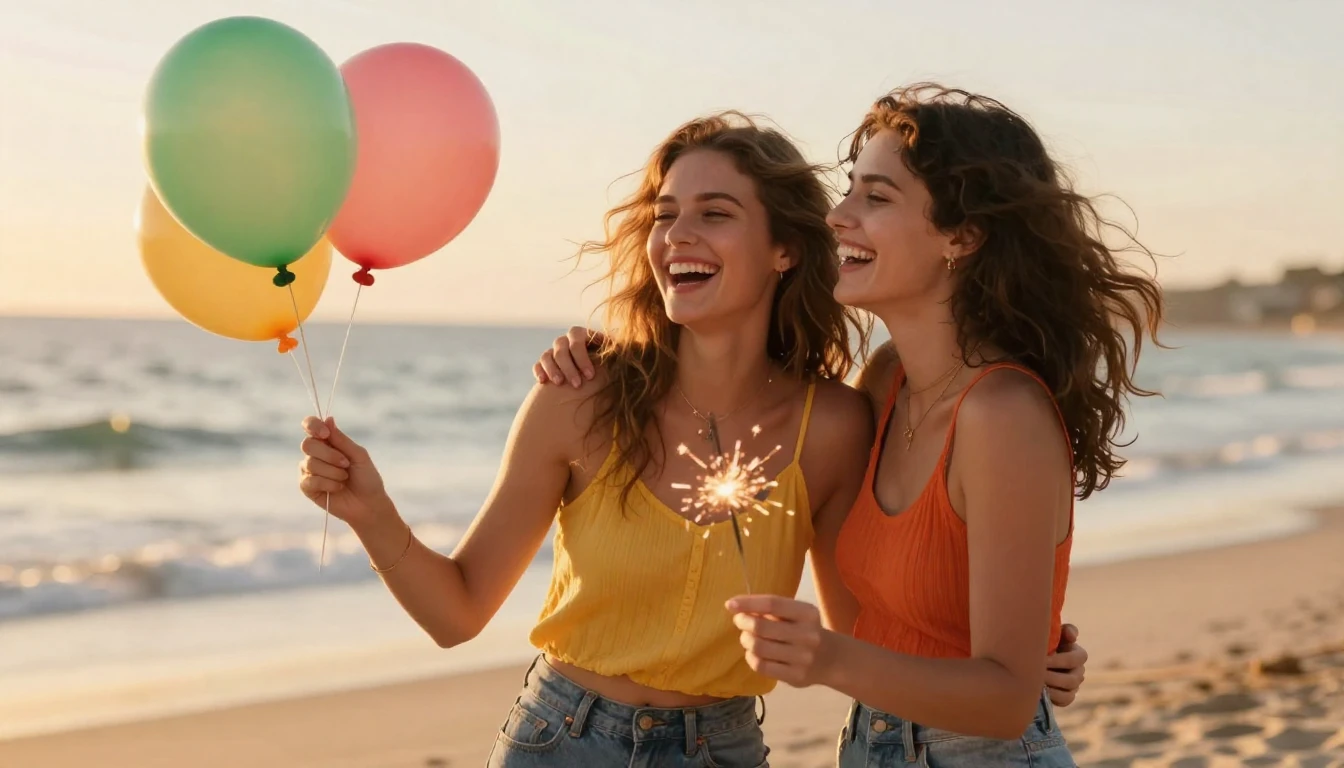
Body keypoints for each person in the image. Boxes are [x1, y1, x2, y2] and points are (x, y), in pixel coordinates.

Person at [302, 110, 1086, 768]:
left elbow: (862, 633)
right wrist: (371, 510)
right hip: (563, 739)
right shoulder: (584, 396)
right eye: (665, 213)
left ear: (785, 249)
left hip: (730, 746)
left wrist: (1021, 656)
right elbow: (457, 614)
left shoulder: (844, 421)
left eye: (714, 212)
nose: (678, 233)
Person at [537, 83, 1152, 765]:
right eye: (849, 190)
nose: (837, 217)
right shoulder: (886, 383)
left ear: (963, 235)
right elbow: (895, 618)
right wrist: (612, 353)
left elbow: (1006, 703)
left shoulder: (1002, 413)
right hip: (870, 745)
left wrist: (830, 658)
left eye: (875, 198)